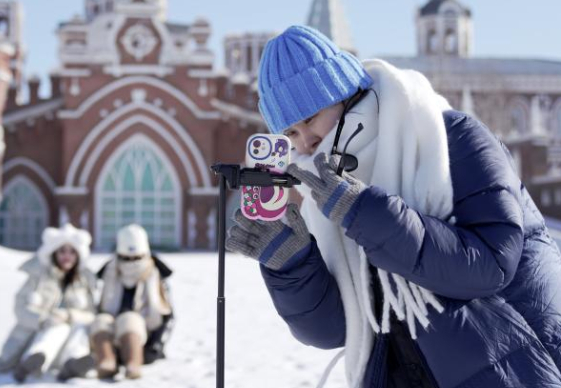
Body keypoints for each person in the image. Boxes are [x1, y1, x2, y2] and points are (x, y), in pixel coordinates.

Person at [227, 25, 561, 387]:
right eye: (290, 133)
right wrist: (290, 266)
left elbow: (492, 264)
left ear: (345, 93)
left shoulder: (449, 137)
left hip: (519, 369)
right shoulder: (326, 189)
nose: (307, 141)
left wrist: (366, 213)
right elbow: (336, 331)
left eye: (311, 119)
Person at [0, 223, 97, 382]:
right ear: (54, 253)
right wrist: (43, 320)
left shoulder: (84, 282)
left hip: (67, 345)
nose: (67, 256)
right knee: (58, 327)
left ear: (78, 256)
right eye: (62, 251)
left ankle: (74, 363)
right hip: (37, 338)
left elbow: (92, 314)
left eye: (72, 252)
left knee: (78, 328)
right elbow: (21, 307)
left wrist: (70, 315)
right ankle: (33, 360)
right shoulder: (38, 277)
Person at [90, 224, 174, 380]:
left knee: (130, 319)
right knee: (101, 321)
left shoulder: (154, 274)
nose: (131, 262)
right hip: (111, 327)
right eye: (126, 258)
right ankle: (106, 361)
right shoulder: (110, 271)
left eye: (136, 258)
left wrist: (156, 344)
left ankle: (133, 363)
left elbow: (165, 313)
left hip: (142, 334)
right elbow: (100, 305)